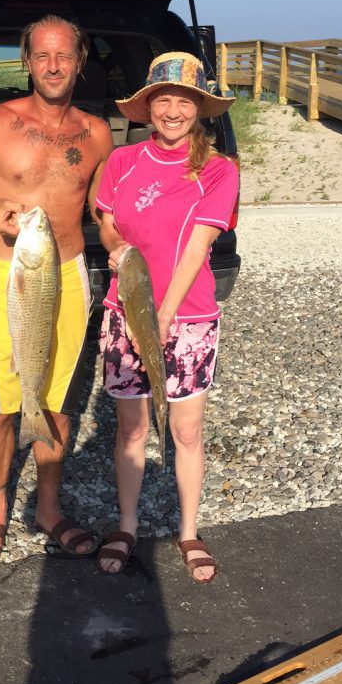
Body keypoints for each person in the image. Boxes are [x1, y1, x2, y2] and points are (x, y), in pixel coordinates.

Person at [0, 15, 114, 566]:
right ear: (26, 61)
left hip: (69, 275)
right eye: (42, 56)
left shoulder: (97, 132)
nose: (53, 66)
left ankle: (48, 508)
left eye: (64, 56)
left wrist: (124, 244)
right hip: (6, 275)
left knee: (57, 396)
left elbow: (101, 210)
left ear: (79, 63)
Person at [94, 52, 239, 581]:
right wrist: (114, 248)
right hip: (122, 307)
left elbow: (199, 248)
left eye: (184, 100)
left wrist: (163, 314)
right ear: (147, 107)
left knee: (187, 427)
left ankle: (188, 530)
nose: (173, 110)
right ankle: (127, 524)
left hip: (190, 314)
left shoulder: (218, 170)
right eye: (163, 100)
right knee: (131, 426)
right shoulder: (122, 161)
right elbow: (108, 222)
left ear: (199, 109)